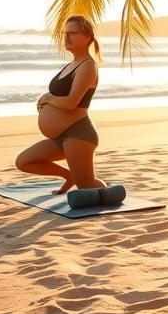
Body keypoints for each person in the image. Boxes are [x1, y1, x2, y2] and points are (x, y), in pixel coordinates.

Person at [15, 15, 104, 194]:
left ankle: (113, 193)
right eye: (65, 33)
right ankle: (69, 175)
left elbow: (72, 102)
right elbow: (59, 96)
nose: (66, 37)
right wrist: (47, 98)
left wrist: (48, 99)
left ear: (87, 37)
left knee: (87, 187)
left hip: (78, 134)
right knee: (23, 161)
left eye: (72, 33)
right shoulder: (71, 65)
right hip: (59, 137)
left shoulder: (87, 66)